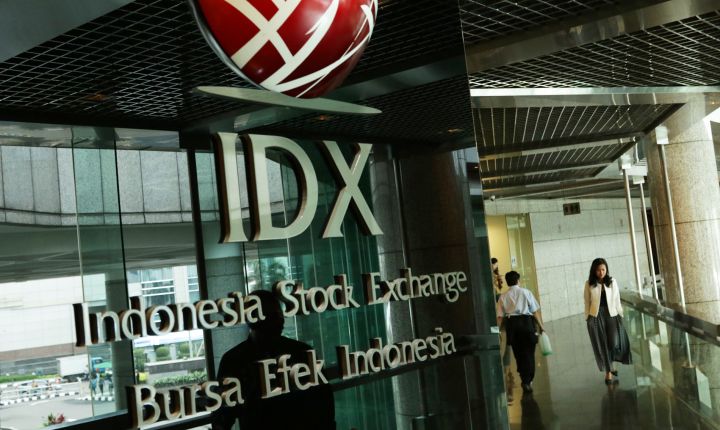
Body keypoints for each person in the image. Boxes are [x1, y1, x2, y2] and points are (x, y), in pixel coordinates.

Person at [214, 290, 335, 430]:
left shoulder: (234, 359)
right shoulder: (301, 352)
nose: (280, 320)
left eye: (279, 314)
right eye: (273, 315)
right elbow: (324, 402)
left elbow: (223, 418)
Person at [584, 258, 632, 384]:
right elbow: (587, 302)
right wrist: (587, 318)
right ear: (594, 271)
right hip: (596, 316)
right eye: (598, 270)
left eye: (603, 269)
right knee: (602, 344)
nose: (601, 272)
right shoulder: (589, 283)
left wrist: (620, 314)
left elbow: (617, 299)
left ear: (606, 269)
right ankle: (608, 372)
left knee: (613, 342)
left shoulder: (612, 281)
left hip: (611, 314)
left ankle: (612, 365)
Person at [496, 271, 544, 393]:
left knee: (518, 354)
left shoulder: (503, 296)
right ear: (518, 281)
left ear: (507, 282)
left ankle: (525, 378)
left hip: (512, 326)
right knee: (529, 353)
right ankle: (528, 380)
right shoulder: (526, 292)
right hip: (527, 324)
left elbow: (500, 317)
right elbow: (534, 311)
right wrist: (541, 326)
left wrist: (497, 331)